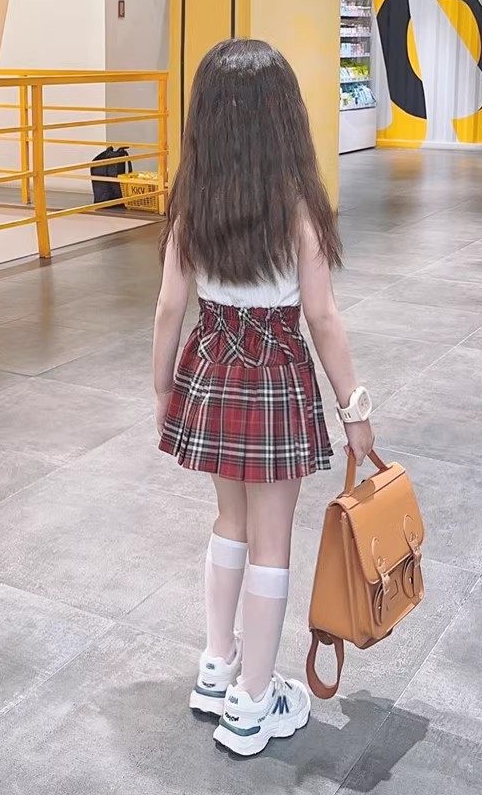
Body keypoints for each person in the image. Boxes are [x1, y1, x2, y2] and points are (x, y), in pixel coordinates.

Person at [152, 38, 374, 757]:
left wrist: (163, 387)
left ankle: (216, 667)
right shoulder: (298, 209)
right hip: (274, 379)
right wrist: (355, 409)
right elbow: (323, 318)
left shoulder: (192, 207)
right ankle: (253, 702)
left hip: (212, 370)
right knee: (272, 542)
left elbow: (169, 308)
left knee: (230, 522)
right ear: (284, 118)